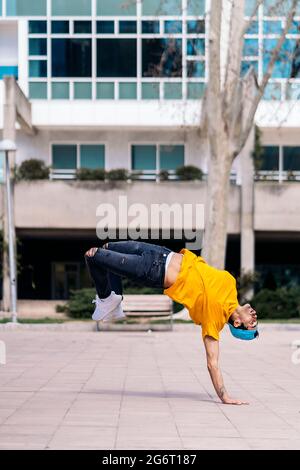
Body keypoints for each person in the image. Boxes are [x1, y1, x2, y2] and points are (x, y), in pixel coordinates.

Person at [85, 240, 258, 406]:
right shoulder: (231, 283)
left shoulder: (213, 319)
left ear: (236, 323)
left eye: (252, 324)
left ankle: (107, 298)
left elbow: (213, 363)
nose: (255, 317)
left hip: (154, 271)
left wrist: (224, 396)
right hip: (162, 253)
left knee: (93, 255)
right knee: (107, 247)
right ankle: (113, 297)